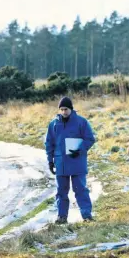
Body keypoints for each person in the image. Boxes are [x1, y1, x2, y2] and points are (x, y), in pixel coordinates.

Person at [45, 96, 96, 224]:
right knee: (61, 192)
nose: (63, 112)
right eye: (61, 109)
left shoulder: (81, 122)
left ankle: (87, 216)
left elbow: (90, 139)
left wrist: (79, 149)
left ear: (71, 109)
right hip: (60, 163)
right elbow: (49, 143)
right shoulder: (53, 124)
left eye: (65, 109)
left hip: (77, 162)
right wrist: (50, 161)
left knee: (81, 190)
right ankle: (62, 217)